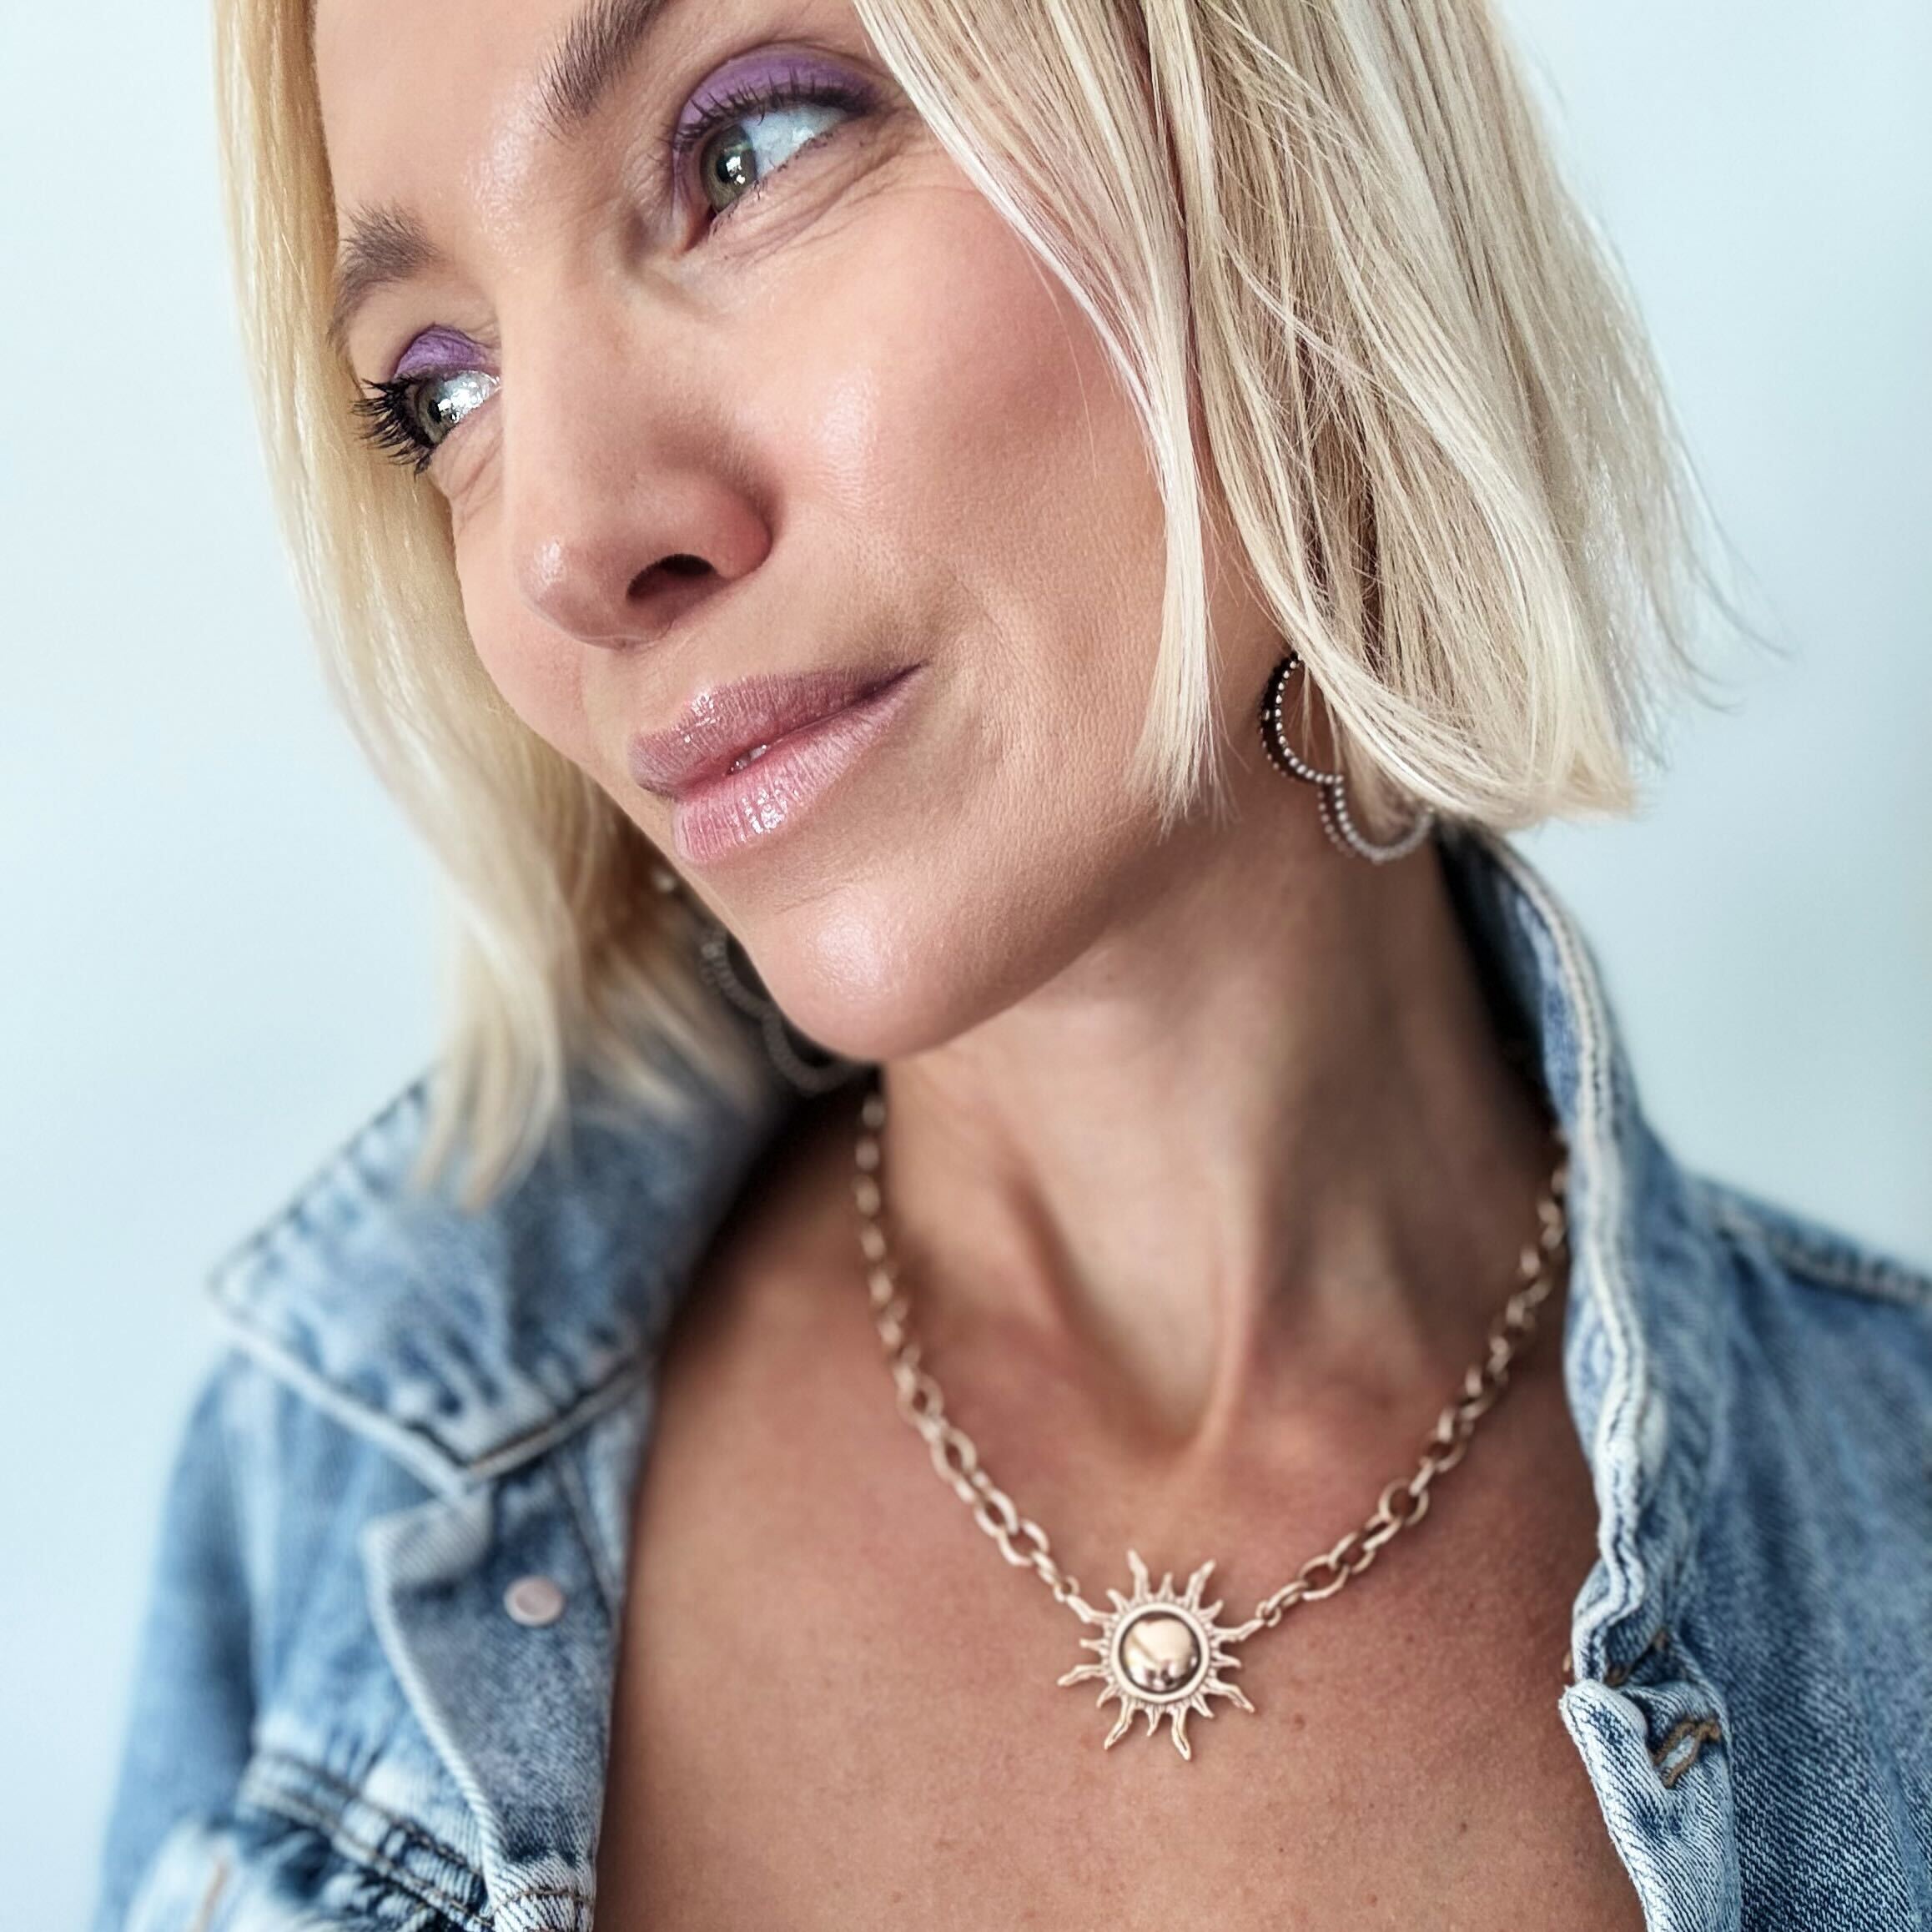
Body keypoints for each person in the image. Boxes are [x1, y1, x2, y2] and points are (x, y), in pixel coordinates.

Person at [94, 0, 1931, 1925]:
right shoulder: (317, 1492)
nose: (569, 544)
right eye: (440, 391)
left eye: (747, 151)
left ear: (1251, 100)